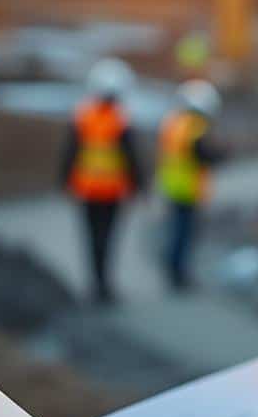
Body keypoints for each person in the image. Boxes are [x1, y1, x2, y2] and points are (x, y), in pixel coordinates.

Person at [60, 57, 142, 304]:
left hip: (87, 189)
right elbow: (131, 156)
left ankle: (96, 284)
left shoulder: (83, 116)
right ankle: (104, 285)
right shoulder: (119, 120)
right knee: (107, 238)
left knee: (92, 238)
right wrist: (139, 184)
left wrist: (64, 181)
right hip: (111, 190)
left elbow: (70, 152)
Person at [157, 79, 228, 291]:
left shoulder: (173, 122)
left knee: (176, 229)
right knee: (184, 232)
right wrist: (220, 154)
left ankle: (173, 267)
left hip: (173, 184)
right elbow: (201, 153)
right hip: (187, 186)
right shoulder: (194, 126)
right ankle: (178, 273)